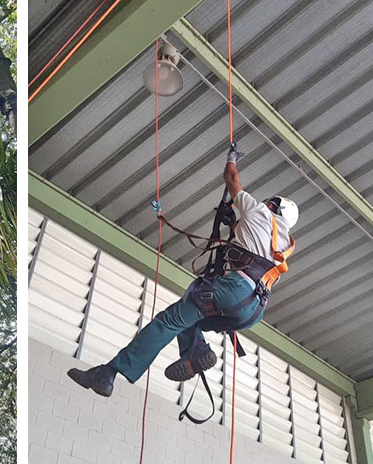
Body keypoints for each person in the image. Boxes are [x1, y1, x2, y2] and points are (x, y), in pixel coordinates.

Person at [68, 144, 298, 397]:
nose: (264, 203)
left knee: (169, 321)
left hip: (235, 291)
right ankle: (194, 353)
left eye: (269, 203)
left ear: (275, 207)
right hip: (253, 311)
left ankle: (108, 374)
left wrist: (232, 159)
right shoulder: (285, 243)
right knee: (191, 314)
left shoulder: (258, 212)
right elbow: (250, 247)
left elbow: (232, 179)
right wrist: (232, 222)